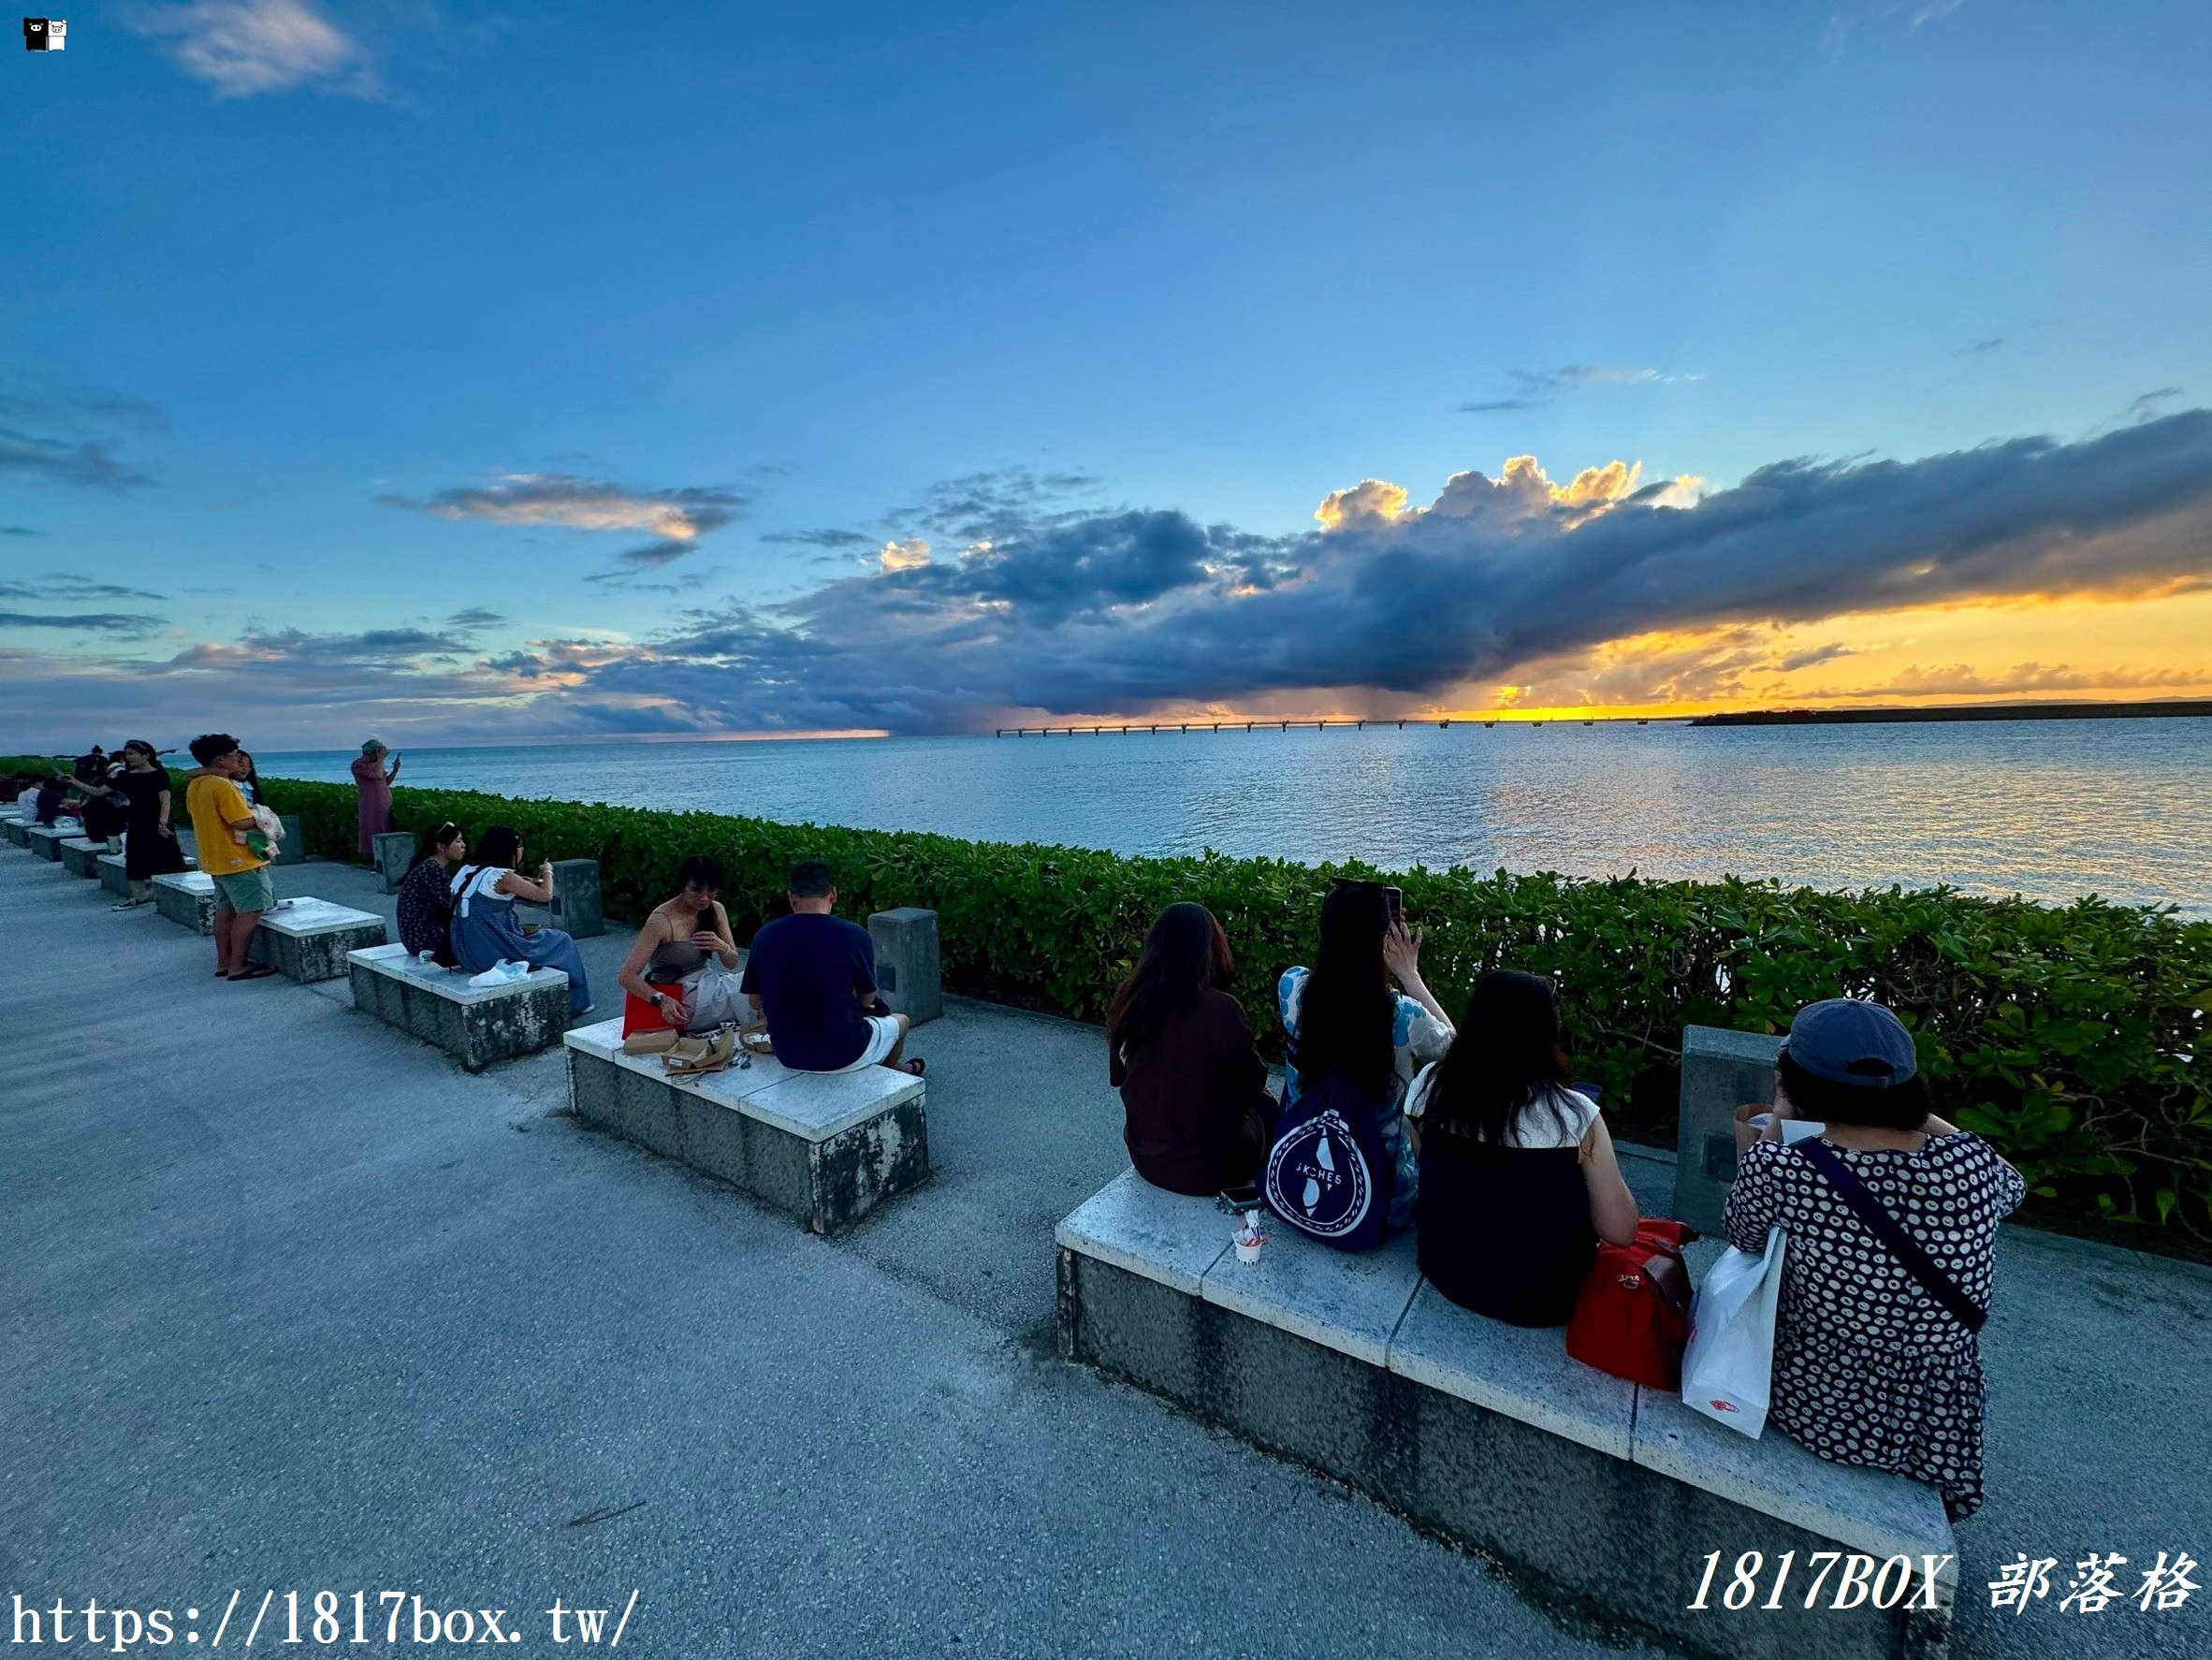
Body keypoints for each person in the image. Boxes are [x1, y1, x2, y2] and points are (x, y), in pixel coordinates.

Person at [1724, 997, 2026, 1522]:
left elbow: (1743, 1234)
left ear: (1795, 1084)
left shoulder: (1784, 1168)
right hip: (1937, 1422)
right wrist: (1912, 1111)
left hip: (1820, 1400)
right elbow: (2014, 1186)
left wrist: (1781, 1113)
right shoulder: (1975, 1165)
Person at [1409, 971, 1639, 1326]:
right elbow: (1621, 1231)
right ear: (1547, 1034)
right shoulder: (1575, 1116)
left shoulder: (1429, 1086)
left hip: (1444, 1272)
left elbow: (1431, 1168)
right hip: (1543, 1303)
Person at [1277, 880, 1454, 1229]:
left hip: (1296, 1175)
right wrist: (1410, 975)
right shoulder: (1404, 1016)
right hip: (1386, 1206)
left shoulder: (1293, 986)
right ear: (1382, 941)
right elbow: (1455, 1046)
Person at [1108, 902, 1274, 1196]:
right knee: (1269, 1107)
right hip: (1213, 1169)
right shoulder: (1221, 1009)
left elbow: (1118, 1076)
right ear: (1211, 950)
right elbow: (1252, 1085)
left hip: (1145, 1157)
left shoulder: (1130, 1000)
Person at [739, 860, 922, 1075]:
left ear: (791, 898)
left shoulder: (765, 936)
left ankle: (893, 1068)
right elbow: (867, 999)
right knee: (901, 1022)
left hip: (788, 1054)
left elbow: (755, 1001)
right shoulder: (854, 935)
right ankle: (894, 1071)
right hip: (844, 1054)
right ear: (833, 894)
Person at [447, 824, 591, 1016]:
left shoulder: (467, 870)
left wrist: (523, 880)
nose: (522, 851)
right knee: (561, 941)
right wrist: (548, 871)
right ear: (509, 848)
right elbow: (545, 895)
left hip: (464, 950)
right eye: (520, 846)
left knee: (545, 940)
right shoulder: (501, 876)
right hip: (492, 951)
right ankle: (578, 1003)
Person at [616, 855, 745, 1035]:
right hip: (680, 998)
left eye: (711, 892)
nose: (705, 899)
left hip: (708, 985)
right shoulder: (661, 920)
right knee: (754, 987)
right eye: (697, 892)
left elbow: (732, 963)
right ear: (683, 887)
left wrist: (721, 946)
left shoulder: (716, 910)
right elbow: (626, 976)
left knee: (759, 980)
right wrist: (661, 1000)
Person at [184, 733, 277, 982]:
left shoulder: (197, 784)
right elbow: (240, 822)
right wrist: (263, 816)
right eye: (235, 756)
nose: (239, 761)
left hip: (216, 859)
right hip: (239, 859)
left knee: (225, 912)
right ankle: (238, 966)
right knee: (251, 911)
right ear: (221, 759)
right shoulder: (222, 786)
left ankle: (224, 962)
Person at [107, 740, 186, 908]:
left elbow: (165, 801)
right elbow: (101, 791)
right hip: (137, 821)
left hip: (157, 820)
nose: (129, 758)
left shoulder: (158, 774)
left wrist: (162, 823)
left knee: (169, 857)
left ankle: (173, 896)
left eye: (133, 753)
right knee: (135, 858)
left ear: (146, 755)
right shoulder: (126, 776)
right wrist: (75, 782)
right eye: (127, 754)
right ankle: (139, 897)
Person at [394, 822, 467, 964]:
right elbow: (452, 907)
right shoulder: (432, 871)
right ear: (441, 847)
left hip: (415, 937)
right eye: (458, 841)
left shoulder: (429, 867)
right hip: (423, 940)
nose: (463, 845)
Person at [352, 738, 400, 858]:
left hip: (384, 800)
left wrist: (395, 770)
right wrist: (380, 759)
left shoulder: (377, 765)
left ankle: (384, 855)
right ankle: (371, 856)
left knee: (385, 826)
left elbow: (385, 782)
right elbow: (377, 775)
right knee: (371, 827)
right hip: (370, 801)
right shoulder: (358, 765)